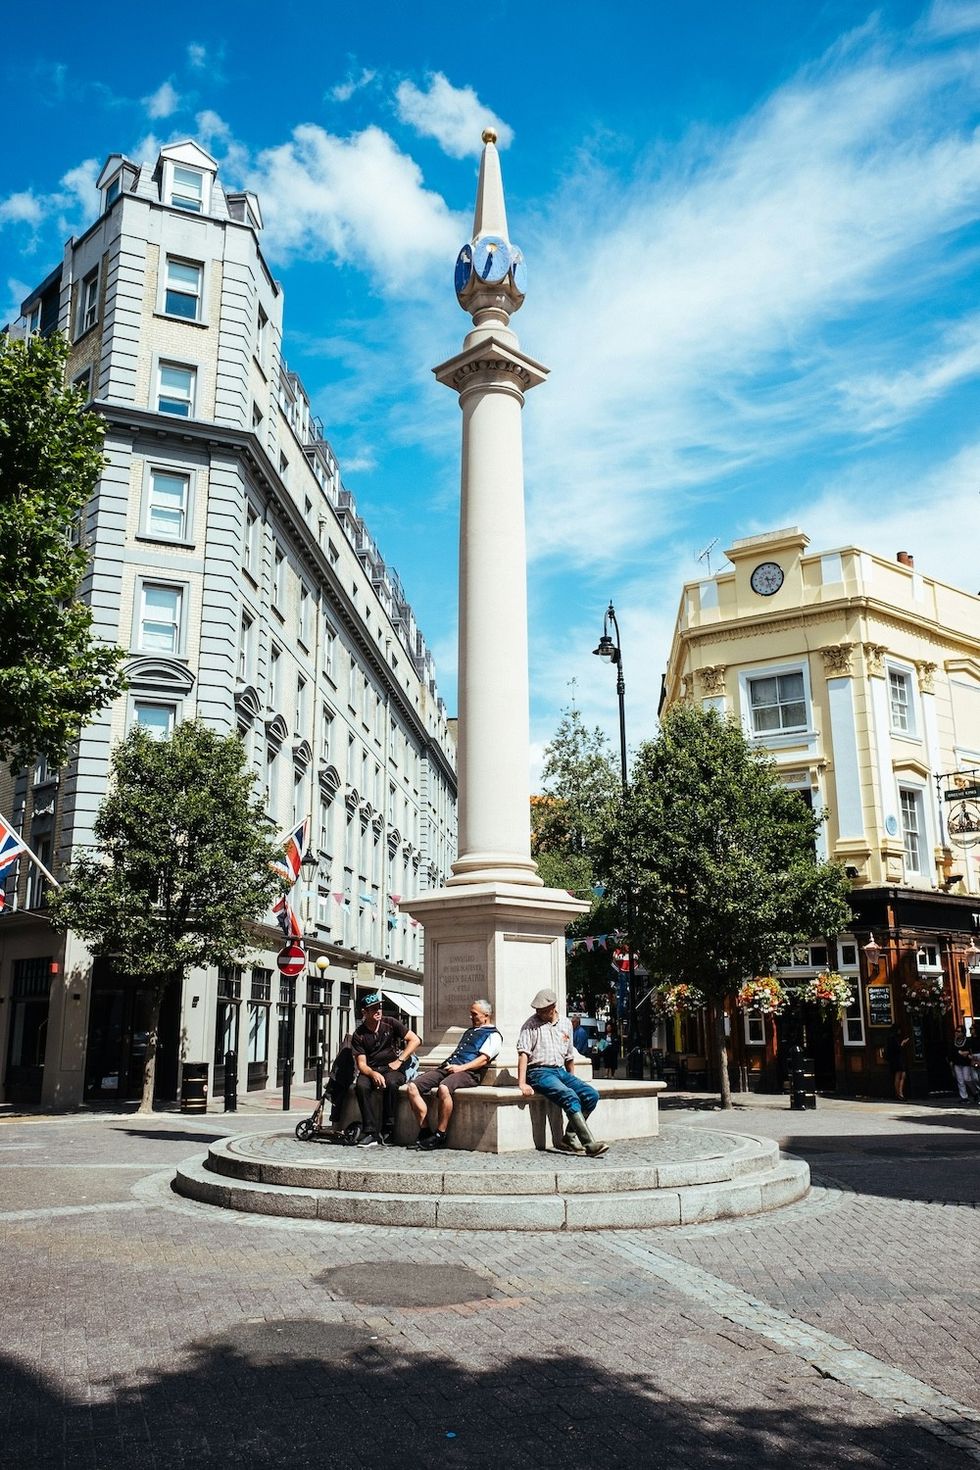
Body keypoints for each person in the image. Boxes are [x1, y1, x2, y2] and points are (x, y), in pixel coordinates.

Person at [516, 988, 608, 1156]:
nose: (539, 1013)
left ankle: (570, 1136)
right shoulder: (530, 1024)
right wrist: (521, 1082)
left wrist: (571, 1077)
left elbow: (569, 1055)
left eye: (543, 1010)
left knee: (591, 1095)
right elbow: (523, 1054)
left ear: (553, 1007)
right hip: (539, 1072)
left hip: (560, 1071)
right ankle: (589, 1144)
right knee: (569, 1096)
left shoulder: (566, 1023)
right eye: (537, 1010)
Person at [406, 998, 502, 1151]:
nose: (471, 1017)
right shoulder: (470, 1031)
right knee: (412, 1087)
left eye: (474, 1014)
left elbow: (483, 1060)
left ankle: (440, 1134)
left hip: (469, 1072)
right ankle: (424, 1131)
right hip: (447, 1067)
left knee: (444, 1088)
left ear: (486, 1015)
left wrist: (461, 1068)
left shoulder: (494, 1035)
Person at [350, 992, 421, 1147]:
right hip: (371, 1069)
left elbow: (415, 1040)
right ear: (364, 1012)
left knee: (392, 1082)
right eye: (373, 1009)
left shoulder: (390, 1023)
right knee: (361, 1086)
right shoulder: (359, 1034)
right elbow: (361, 1064)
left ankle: (388, 1129)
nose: (378, 1011)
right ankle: (370, 1131)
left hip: (392, 1067)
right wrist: (372, 1073)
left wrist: (400, 1060)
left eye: (379, 1007)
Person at [949, 1027, 978, 1104]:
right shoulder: (953, 1041)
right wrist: (951, 1061)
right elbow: (951, 1052)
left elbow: (970, 1050)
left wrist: (966, 1053)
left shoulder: (967, 1041)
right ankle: (964, 1097)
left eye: (959, 1031)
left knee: (967, 1079)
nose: (957, 1033)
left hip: (965, 1063)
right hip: (957, 1063)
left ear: (963, 1033)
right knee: (960, 1080)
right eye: (956, 1031)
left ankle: (975, 1092)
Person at [885, 1027, 910, 1100]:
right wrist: (902, 1043)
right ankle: (899, 1093)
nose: (900, 1031)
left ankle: (899, 1093)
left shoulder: (889, 1038)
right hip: (897, 1060)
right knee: (900, 1075)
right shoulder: (893, 1038)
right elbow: (897, 1049)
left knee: (900, 1075)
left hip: (894, 1060)